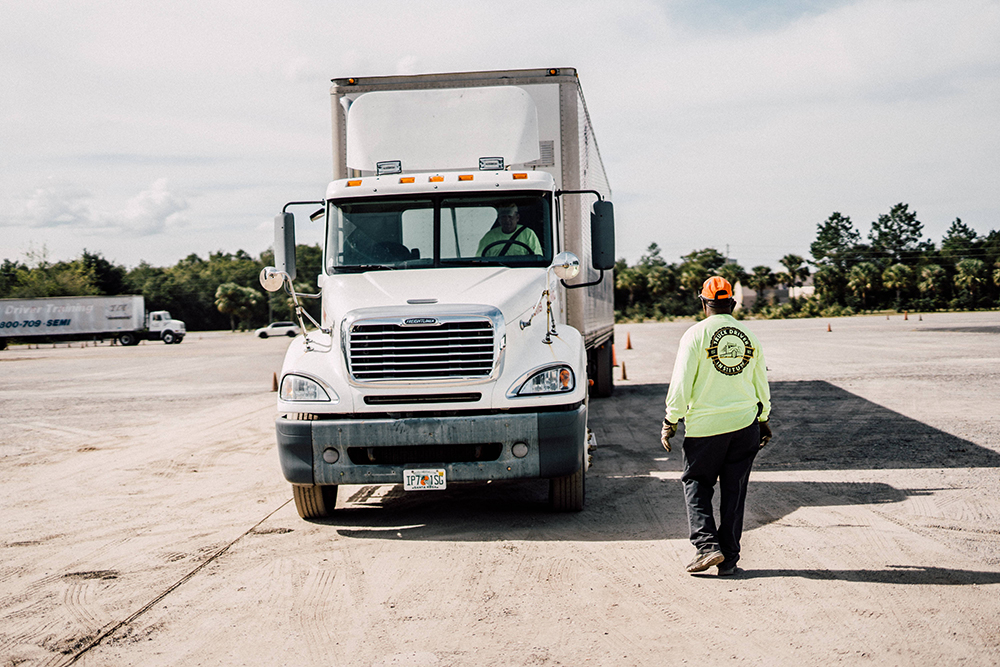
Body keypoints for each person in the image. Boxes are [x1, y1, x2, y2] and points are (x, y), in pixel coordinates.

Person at [661, 276, 772, 576]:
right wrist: (763, 419)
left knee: (696, 483)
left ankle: (707, 547)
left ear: (703, 302)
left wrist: (671, 420)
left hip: (706, 429)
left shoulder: (694, 335)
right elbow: (760, 380)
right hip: (744, 424)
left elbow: (681, 383)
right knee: (735, 491)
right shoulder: (749, 336)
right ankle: (730, 560)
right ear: (732, 303)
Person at [477, 204, 542, 257]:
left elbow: (537, 257)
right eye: (503, 217)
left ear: (517, 218)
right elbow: (479, 259)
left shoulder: (528, 234)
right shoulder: (489, 237)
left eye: (510, 217)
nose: (507, 220)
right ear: (499, 219)